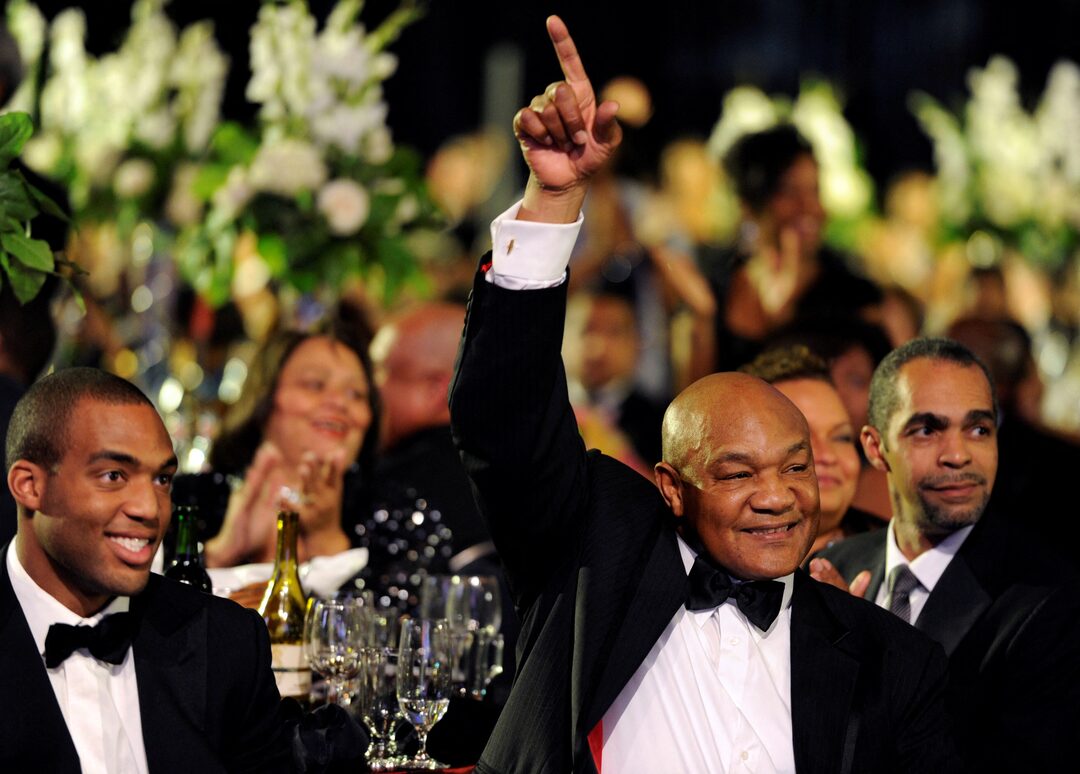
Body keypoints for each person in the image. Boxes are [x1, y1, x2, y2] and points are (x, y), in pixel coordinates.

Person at [449, 17, 956, 773]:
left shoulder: (889, 660)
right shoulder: (596, 559)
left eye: (796, 467)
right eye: (738, 472)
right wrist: (554, 200)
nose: (777, 496)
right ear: (671, 486)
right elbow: (506, 418)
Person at [0, 367, 294, 772]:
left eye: (162, 479)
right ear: (30, 486)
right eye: (114, 476)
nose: (150, 509)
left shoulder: (226, 644)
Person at [811, 338, 1080, 771]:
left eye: (979, 429)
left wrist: (867, 672)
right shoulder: (835, 569)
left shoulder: (1049, 600)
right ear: (875, 447)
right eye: (927, 430)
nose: (958, 455)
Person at [183, 327, 379, 568]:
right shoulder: (189, 501)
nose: (340, 402)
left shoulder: (386, 513)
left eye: (356, 394)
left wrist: (326, 541)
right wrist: (219, 556)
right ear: (265, 396)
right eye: (315, 384)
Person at [699, 124, 882, 373]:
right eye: (788, 191)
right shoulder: (716, 287)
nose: (809, 207)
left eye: (815, 191)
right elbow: (693, 389)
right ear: (749, 204)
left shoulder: (853, 297)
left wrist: (782, 322)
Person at [740, 346, 885, 556]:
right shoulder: (708, 561)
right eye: (802, 438)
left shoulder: (892, 557)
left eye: (842, 437)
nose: (827, 455)